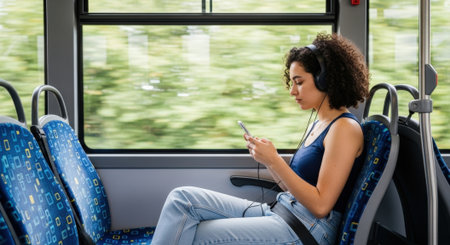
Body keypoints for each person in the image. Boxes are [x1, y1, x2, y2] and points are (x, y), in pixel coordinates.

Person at [151, 33, 370, 245]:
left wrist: (275, 160)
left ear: (324, 80)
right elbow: (295, 190)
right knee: (182, 199)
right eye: (292, 82)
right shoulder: (318, 124)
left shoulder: (344, 128)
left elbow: (321, 205)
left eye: (299, 82)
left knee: (194, 234)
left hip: (309, 229)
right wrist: (268, 161)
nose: (292, 91)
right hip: (286, 212)